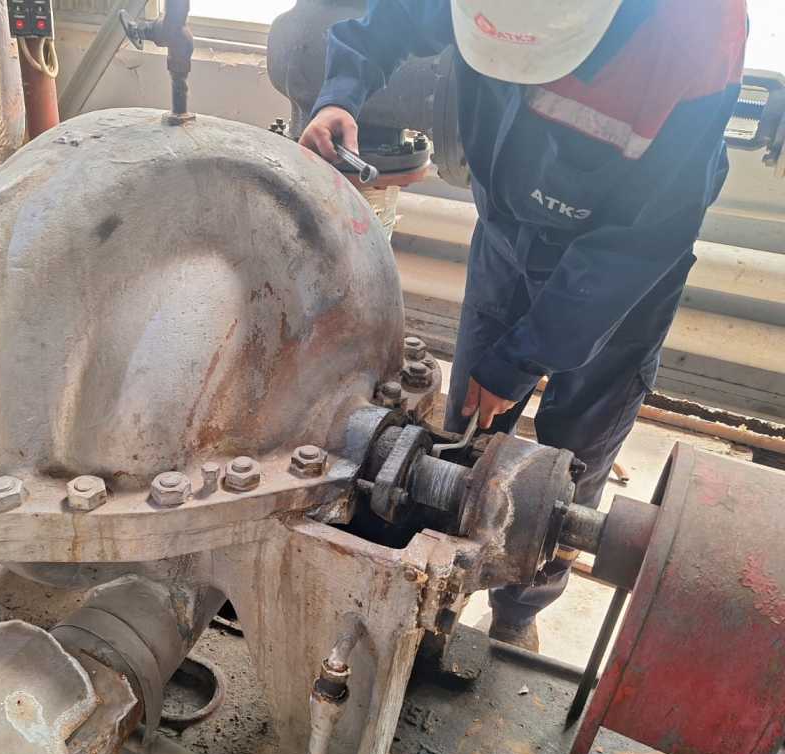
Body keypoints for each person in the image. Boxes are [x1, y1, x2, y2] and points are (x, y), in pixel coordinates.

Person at [300, 0, 748, 651]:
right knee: (465, 434)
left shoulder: (696, 29)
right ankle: (438, 595)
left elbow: (645, 241)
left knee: (568, 469)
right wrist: (341, 93)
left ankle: (519, 608)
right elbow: (391, 19)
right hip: (508, 243)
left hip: (618, 284)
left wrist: (523, 359)